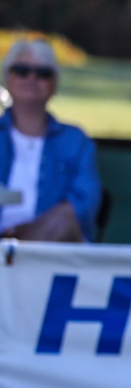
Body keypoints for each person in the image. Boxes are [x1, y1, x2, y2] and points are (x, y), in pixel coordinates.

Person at [0, 39, 100, 242]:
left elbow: (83, 205)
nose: (31, 78)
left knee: (61, 221)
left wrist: (21, 235)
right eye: (21, 70)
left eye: (43, 73)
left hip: (53, 250)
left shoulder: (75, 141)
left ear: (55, 84)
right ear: (7, 79)